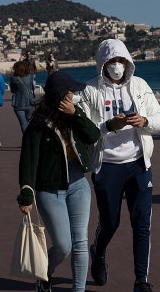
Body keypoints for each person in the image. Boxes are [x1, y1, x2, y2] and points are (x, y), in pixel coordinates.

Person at [79, 39, 160, 292]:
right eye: (112, 61)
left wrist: (144, 120)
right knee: (110, 223)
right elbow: (83, 132)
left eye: (121, 61)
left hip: (139, 164)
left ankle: (141, 281)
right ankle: (99, 251)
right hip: (107, 166)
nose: (117, 66)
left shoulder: (139, 86)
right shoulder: (90, 90)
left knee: (142, 224)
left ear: (128, 62)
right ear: (102, 63)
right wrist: (108, 126)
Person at [16, 71, 100, 292]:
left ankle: (78, 290)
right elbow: (28, 161)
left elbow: (93, 136)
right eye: (71, 92)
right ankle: (45, 274)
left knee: (81, 242)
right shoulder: (37, 126)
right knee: (63, 245)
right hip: (49, 190)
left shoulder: (75, 113)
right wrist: (26, 193)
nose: (74, 95)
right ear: (61, 96)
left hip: (78, 184)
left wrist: (75, 115)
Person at [9, 61, 36, 133]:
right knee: (30, 122)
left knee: (23, 123)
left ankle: (26, 140)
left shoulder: (13, 78)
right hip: (30, 102)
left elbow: (12, 90)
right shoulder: (30, 77)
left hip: (18, 103)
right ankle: (32, 140)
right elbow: (32, 87)